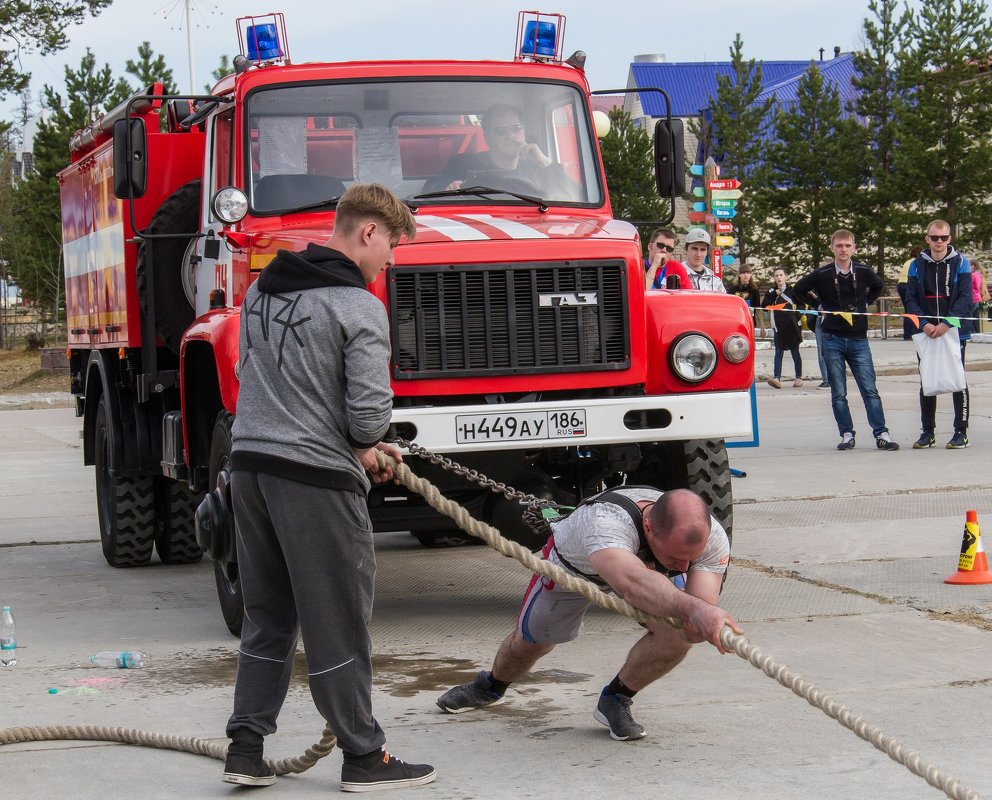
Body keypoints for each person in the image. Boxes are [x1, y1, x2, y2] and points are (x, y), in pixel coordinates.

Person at [223, 184, 437, 791]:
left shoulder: (261, 289)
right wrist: (369, 442)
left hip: (250, 469)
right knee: (337, 620)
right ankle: (364, 756)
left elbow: (256, 378)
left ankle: (245, 747)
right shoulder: (357, 306)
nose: (390, 261)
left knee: (267, 616)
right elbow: (368, 420)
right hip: (315, 480)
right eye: (391, 246)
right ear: (368, 232)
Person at [434, 487, 742, 742]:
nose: (685, 567)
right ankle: (490, 687)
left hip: (642, 573)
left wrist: (701, 624)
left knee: (677, 635)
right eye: (676, 557)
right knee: (534, 642)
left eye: (692, 559)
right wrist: (699, 610)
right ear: (648, 526)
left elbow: (693, 618)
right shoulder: (605, 523)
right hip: (575, 567)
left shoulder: (710, 536)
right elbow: (634, 584)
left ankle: (616, 699)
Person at [787, 229, 900, 451]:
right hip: (832, 338)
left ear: (854, 248)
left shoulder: (863, 271)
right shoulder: (822, 274)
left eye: (847, 245)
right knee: (838, 392)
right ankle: (847, 433)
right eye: (839, 245)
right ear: (832, 248)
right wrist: (817, 305)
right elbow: (798, 289)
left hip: (858, 339)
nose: (843, 249)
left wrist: (865, 302)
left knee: (869, 389)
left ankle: (882, 433)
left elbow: (878, 286)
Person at [904, 220, 973, 449]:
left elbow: (965, 298)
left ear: (950, 239)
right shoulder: (916, 265)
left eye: (943, 238)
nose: (939, 242)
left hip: (953, 332)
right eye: (934, 238)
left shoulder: (962, 263)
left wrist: (946, 323)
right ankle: (927, 432)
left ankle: (960, 432)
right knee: (927, 380)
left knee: (958, 380)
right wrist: (924, 324)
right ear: (927, 239)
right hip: (926, 333)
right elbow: (911, 298)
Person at [425, 104, 571, 197]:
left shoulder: (538, 168)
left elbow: (572, 195)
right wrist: (450, 187)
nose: (510, 136)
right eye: (501, 131)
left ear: (524, 133)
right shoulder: (462, 164)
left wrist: (545, 161)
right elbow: (429, 190)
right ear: (487, 138)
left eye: (516, 129)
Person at [761, 267, 803, 389]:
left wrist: (796, 317)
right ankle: (777, 378)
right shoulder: (771, 291)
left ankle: (798, 377)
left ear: (785, 277)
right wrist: (773, 294)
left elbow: (801, 305)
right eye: (776, 276)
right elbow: (764, 307)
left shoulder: (793, 291)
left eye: (781, 275)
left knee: (795, 352)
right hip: (778, 326)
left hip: (793, 326)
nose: (779, 278)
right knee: (778, 353)